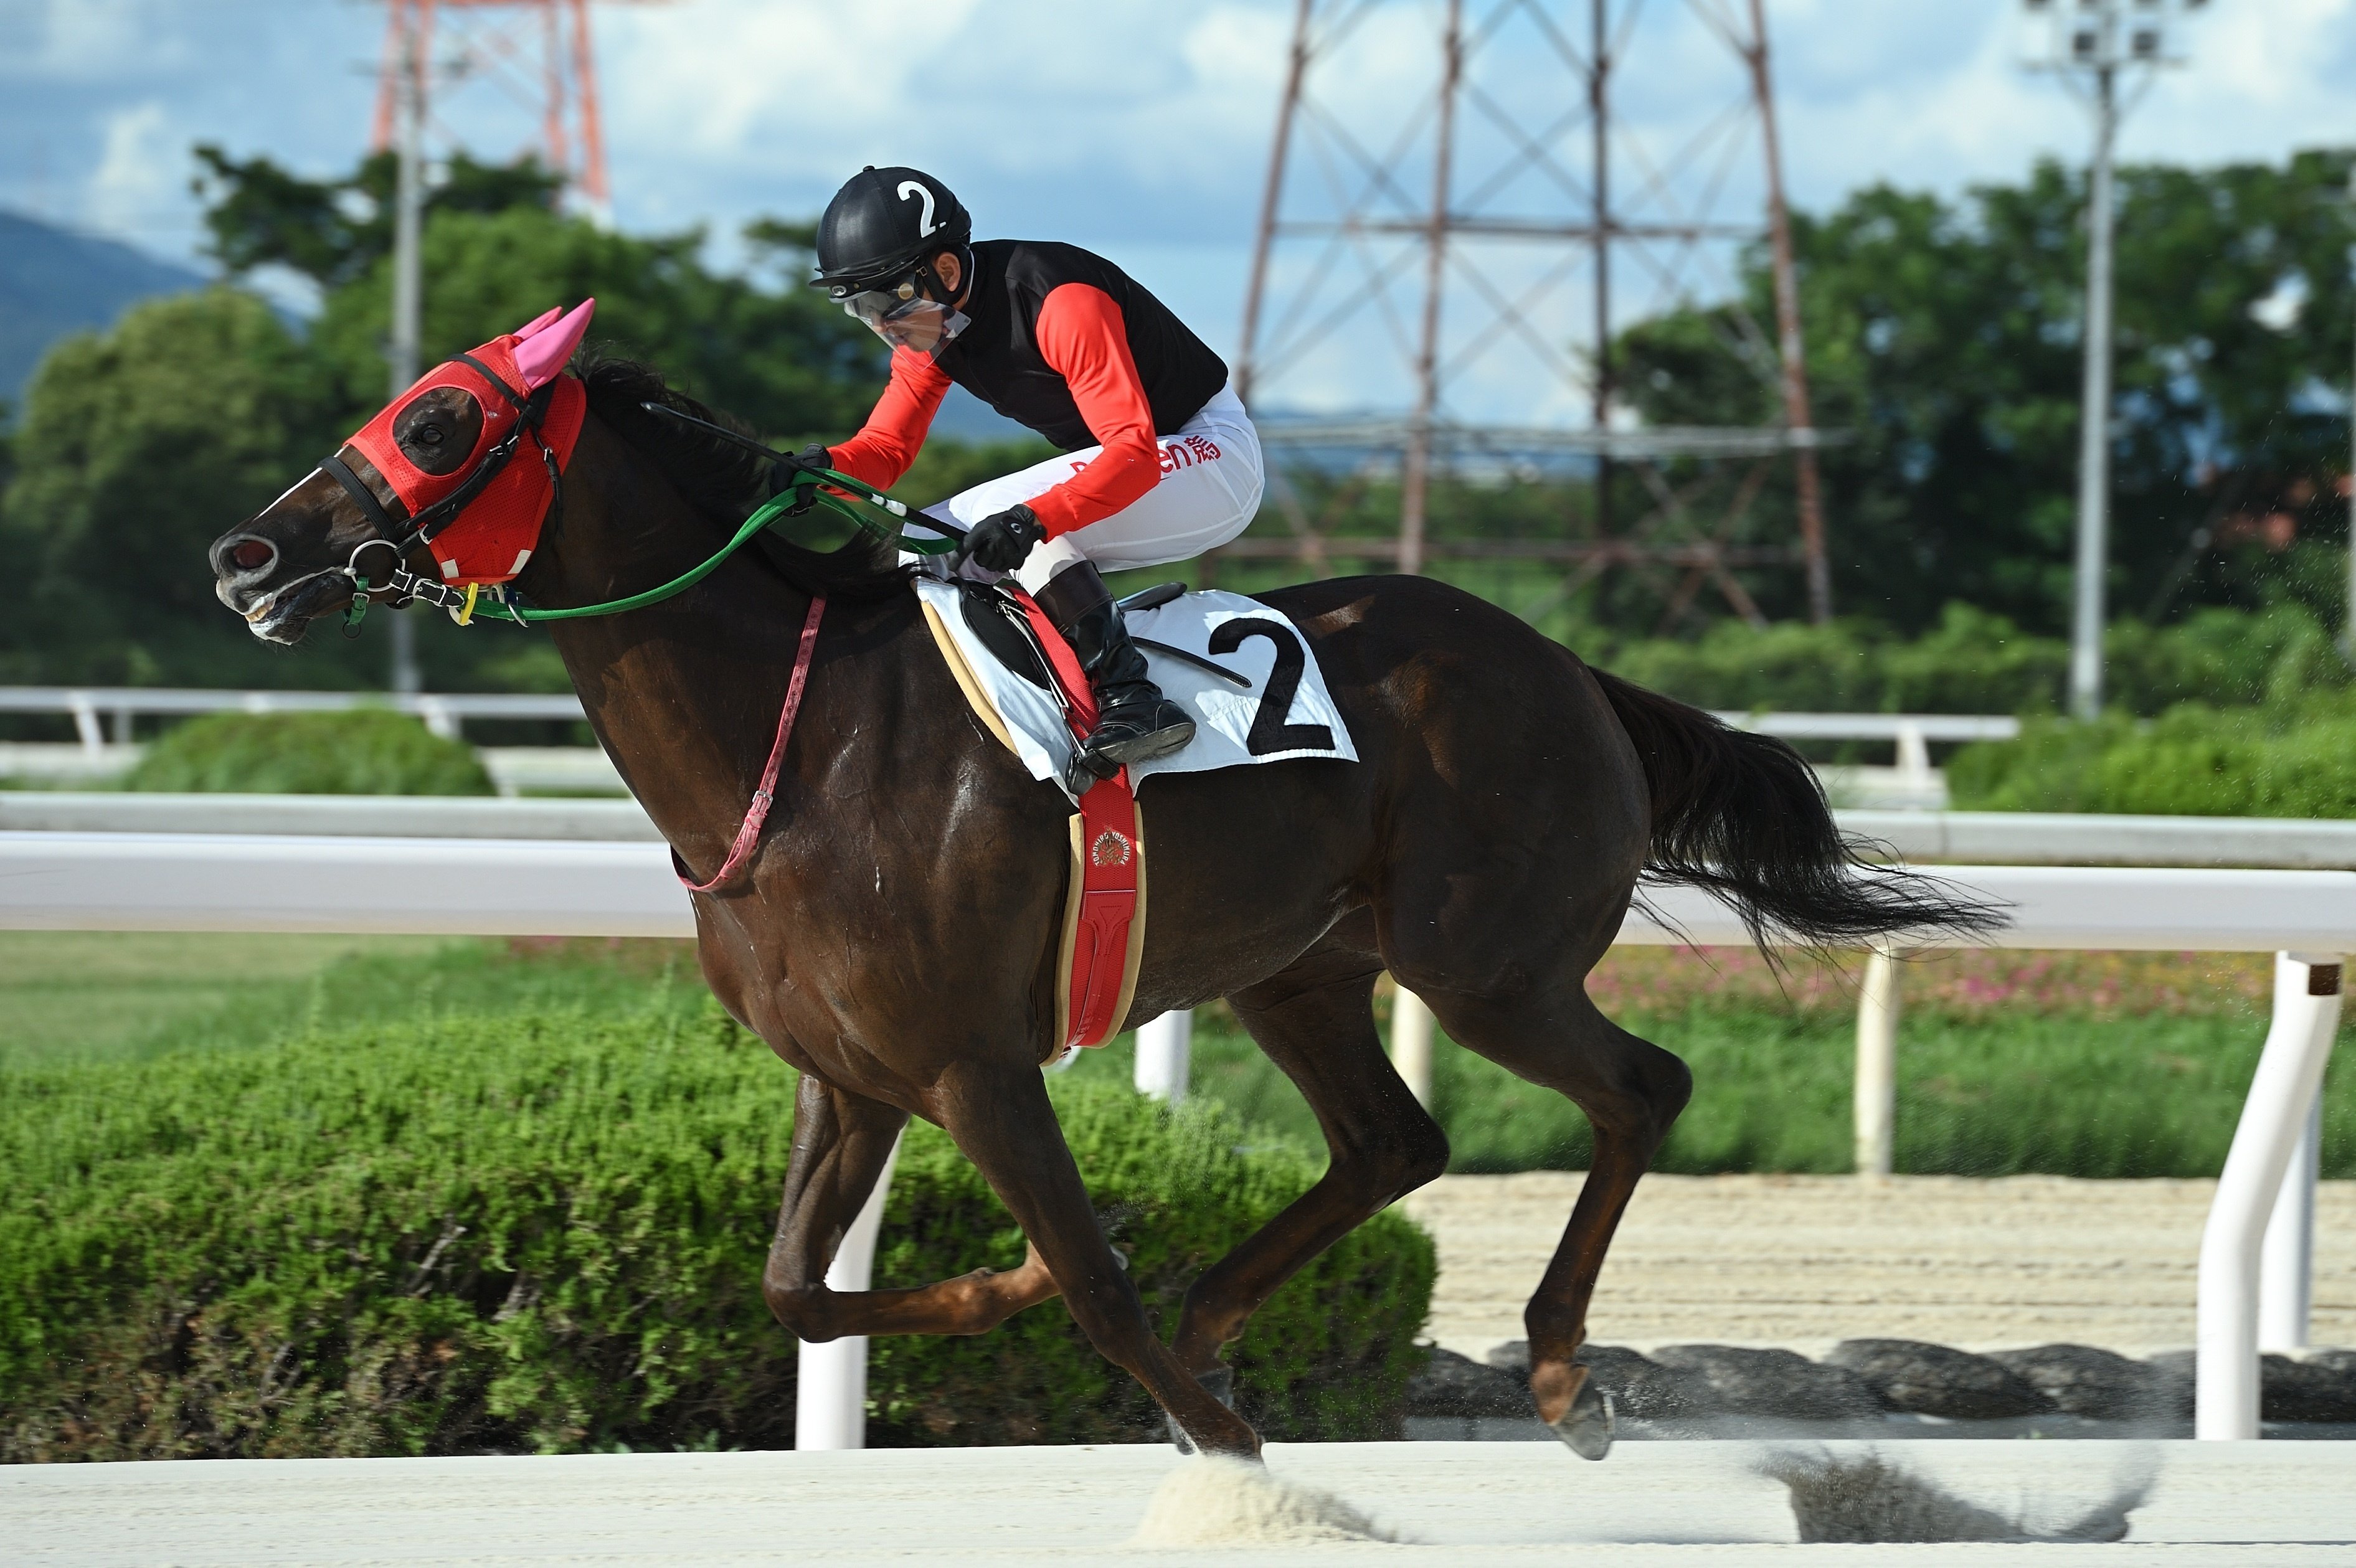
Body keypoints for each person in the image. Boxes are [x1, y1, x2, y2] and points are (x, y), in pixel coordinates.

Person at [800, 164, 1264, 782]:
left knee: (957, 530)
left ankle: (1133, 695)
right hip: (1133, 459)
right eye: (863, 309)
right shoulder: (933, 326)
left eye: (887, 300)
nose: (884, 325)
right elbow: (884, 450)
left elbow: (1134, 454)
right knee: (924, 544)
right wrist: (817, 471)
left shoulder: (1060, 301)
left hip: (1205, 453)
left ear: (944, 270)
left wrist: (1031, 521)